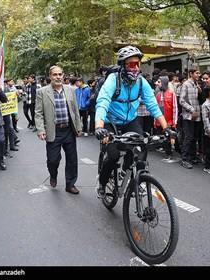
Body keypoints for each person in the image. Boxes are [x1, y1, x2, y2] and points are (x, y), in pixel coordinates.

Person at [94, 45, 176, 198]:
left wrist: (166, 128)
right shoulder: (113, 79)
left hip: (130, 121)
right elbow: (103, 102)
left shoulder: (141, 81)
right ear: (123, 65)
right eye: (132, 64)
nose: (136, 68)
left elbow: (153, 105)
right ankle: (102, 182)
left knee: (141, 147)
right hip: (110, 121)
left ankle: (130, 175)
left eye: (138, 64)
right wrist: (99, 127)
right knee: (113, 155)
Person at [35, 65, 82, 195]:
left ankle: (70, 184)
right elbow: (38, 113)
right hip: (53, 131)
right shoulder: (42, 92)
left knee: (72, 159)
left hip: (68, 130)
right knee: (53, 160)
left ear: (63, 75)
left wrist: (78, 127)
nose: (58, 77)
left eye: (60, 74)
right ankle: (53, 175)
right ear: (50, 76)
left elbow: (75, 110)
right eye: (55, 75)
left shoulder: (70, 90)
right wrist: (40, 130)